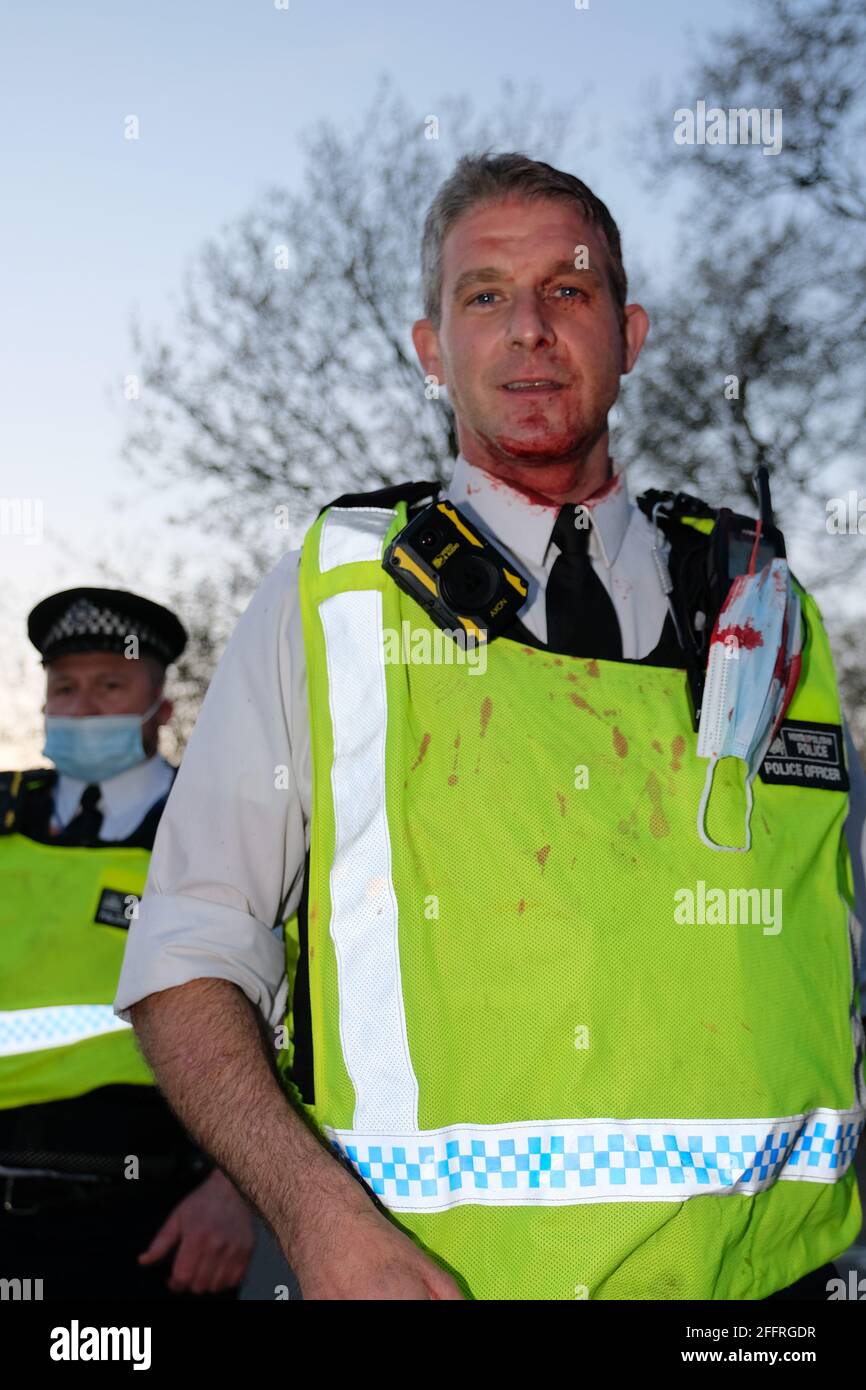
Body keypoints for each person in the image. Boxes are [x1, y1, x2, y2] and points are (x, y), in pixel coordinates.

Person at [116, 154, 866, 1301]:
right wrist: (316, 1222)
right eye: (483, 296)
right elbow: (187, 952)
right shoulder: (337, 592)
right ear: (431, 348)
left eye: (566, 291)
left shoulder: (763, 604)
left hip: (777, 1299)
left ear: (628, 332)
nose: (527, 329)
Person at [0, 587, 255, 1299]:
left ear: (161, 708)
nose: (82, 708)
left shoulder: (214, 830)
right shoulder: (5, 814)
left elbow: (286, 1016)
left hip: (150, 1218)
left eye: (111, 685)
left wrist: (238, 1193)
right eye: (66, 688)